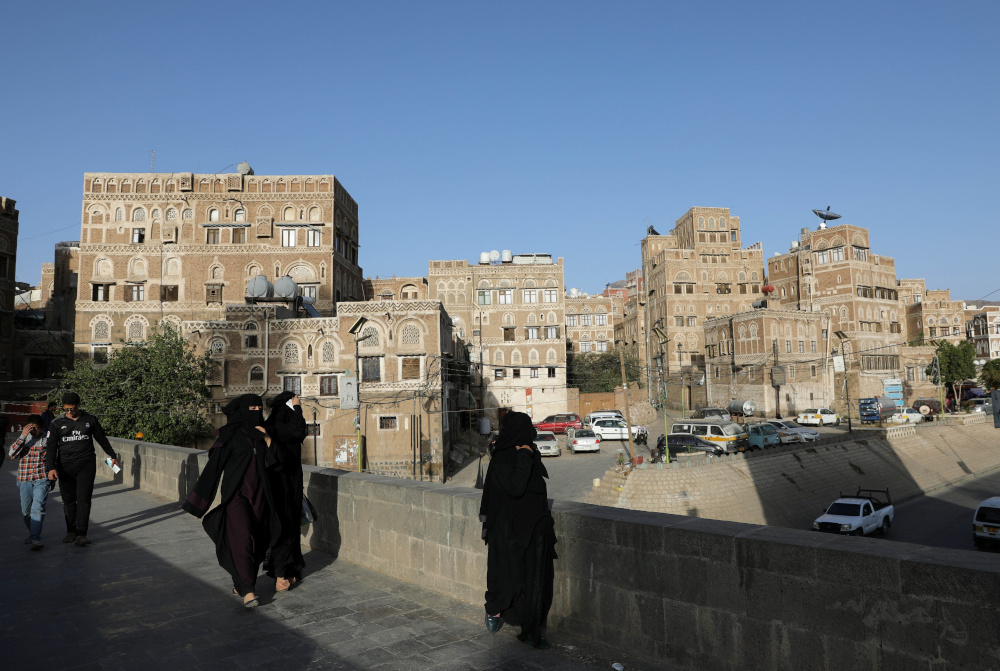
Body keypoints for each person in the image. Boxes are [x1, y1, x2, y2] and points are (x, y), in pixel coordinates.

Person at [182, 394, 279, 608]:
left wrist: (269, 441)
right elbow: (214, 468)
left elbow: (275, 465)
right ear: (242, 410)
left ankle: (240, 581)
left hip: (261, 496)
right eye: (250, 407)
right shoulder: (229, 435)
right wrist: (197, 502)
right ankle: (248, 590)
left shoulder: (263, 433)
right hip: (236, 495)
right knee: (242, 538)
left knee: (257, 541)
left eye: (258, 407)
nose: (255, 411)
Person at [479, 411, 557, 650]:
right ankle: (494, 610)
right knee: (506, 576)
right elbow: (515, 487)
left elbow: (536, 489)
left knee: (531, 579)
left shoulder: (529, 453)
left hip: (532, 528)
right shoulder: (502, 458)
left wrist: (527, 455)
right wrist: (523, 455)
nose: (530, 434)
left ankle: (528, 624)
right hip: (506, 531)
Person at [45, 392, 120, 547]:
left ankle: (81, 533)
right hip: (65, 466)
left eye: (72, 409)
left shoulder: (90, 419)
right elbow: (51, 447)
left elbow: (101, 438)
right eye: (66, 409)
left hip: (86, 464)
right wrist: (50, 468)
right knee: (68, 501)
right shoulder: (57, 423)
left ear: (78, 405)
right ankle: (71, 531)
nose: (69, 412)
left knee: (84, 499)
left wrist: (112, 455)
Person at [263, 391, 308, 592]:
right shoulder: (280, 425)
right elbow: (300, 432)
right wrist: (297, 408)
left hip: (289, 482)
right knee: (285, 527)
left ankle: (289, 570)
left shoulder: (275, 423)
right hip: (283, 484)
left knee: (291, 527)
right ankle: (280, 573)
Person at [9, 415, 50, 551]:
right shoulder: (24, 438)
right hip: (24, 479)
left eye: (36, 429)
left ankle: (35, 538)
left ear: (42, 428)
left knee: (37, 509)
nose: (34, 432)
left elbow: (52, 459)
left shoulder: (47, 440)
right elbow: (12, 455)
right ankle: (33, 533)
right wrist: (22, 436)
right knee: (26, 511)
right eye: (31, 429)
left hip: (41, 478)